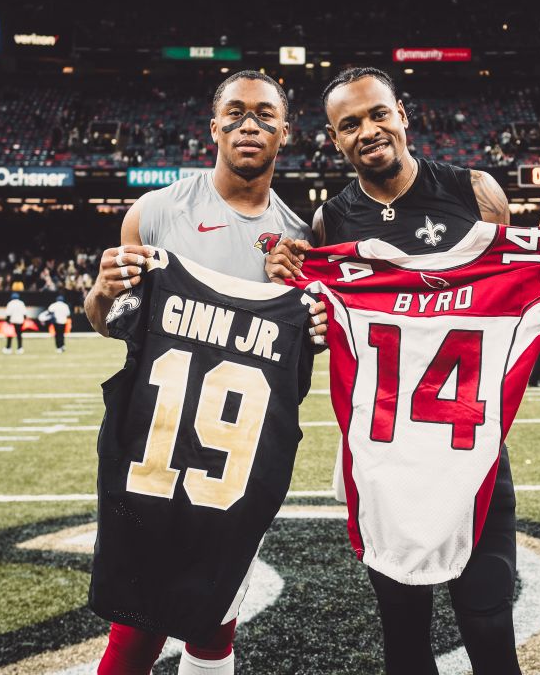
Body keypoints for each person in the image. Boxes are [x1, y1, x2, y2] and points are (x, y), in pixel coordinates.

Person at [263, 66, 540, 675]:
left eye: (378, 114)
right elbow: (332, 335)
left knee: (492, 634)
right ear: (336, 140)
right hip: (386, 460)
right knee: (406, 650)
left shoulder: (475, 190)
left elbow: (516, 286)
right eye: (349, 124)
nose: (368, 131)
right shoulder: (331, 225)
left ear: (402, 116)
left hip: (471, 451)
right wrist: (292, 289)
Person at [82, 70, 327, 675]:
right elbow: (116, 323)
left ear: (286, 132)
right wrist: (100, 292)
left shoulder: (301, 239)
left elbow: (297, 355)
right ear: (213, 125)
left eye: (266, 115)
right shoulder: (157, 212)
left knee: (215, 621)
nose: (251, 124)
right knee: (134, 626)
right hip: (157, 446)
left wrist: (317, 331)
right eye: (237, 112)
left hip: (238, 455)